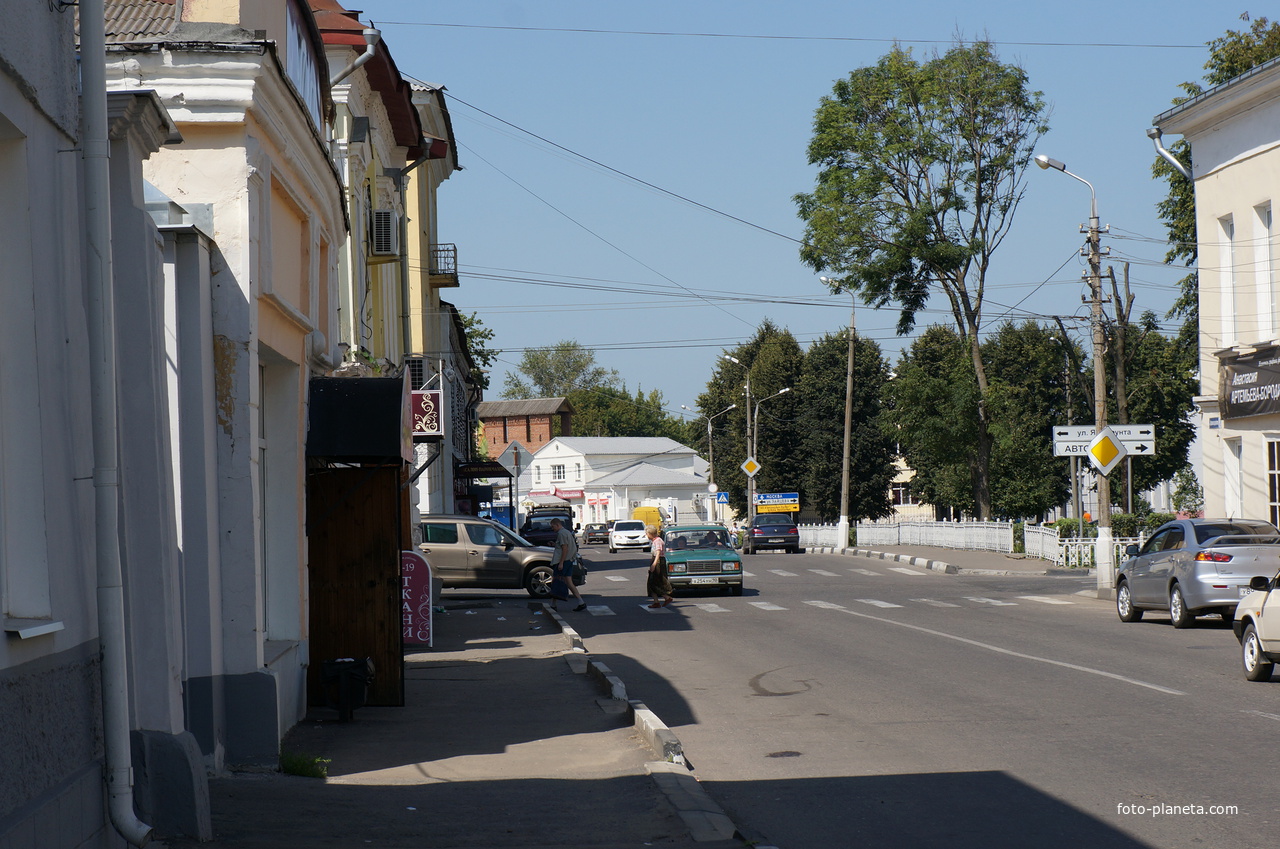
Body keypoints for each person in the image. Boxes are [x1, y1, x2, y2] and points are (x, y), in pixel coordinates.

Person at [549, 518, 586, 612]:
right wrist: (555, 544)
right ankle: (581, 602)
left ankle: (553, 605)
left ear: (557, 525)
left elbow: (565, 549)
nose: (552, 529)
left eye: (553, 526)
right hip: (569, 560)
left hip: (563, 561)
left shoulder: (561, 534)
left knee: (556, 581)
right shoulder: (567, 532)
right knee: (569, 583)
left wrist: (561, 563)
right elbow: (565, 547)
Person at [645, 525, 673, 608]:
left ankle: (667, 597)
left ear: (651, 533)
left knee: (655, 582)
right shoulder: (654, 541)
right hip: (655, 560)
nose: (646, 535)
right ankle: (656, 602)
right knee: (651, 582)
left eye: (647, 533)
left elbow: (658, 553)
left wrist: (654, 564)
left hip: (658, 561)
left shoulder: (658, 541)